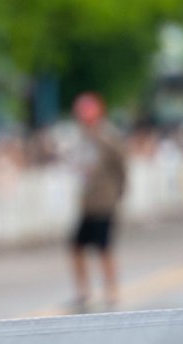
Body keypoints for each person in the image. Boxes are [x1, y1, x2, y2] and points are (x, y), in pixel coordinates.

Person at [68, 92, 127, 312]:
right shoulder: (82, 138)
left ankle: (112, 291)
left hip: (104, 201)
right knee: (76, 246)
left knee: (104, 249)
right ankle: (84, 292)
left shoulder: (107, 136)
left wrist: (119, 192)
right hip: (88, 203)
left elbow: (121, 164)